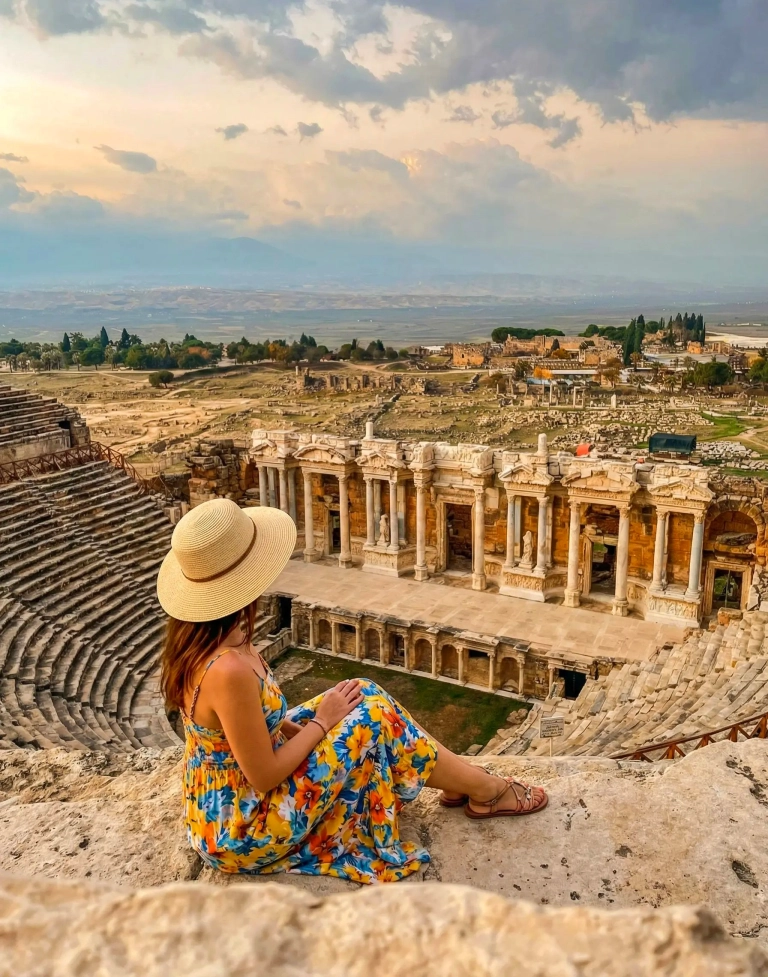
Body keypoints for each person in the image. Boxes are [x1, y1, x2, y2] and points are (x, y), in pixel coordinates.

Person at [157, 498, 547, 885]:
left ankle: (459, 779)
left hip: (228, 798)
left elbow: (256, 730)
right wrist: (323, 723)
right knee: (370, 714)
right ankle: (485, 788)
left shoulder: (220, 640)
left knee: (361, 693)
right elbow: (263, 774)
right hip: (244, 825)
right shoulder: (227, 669)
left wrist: (321, 724)